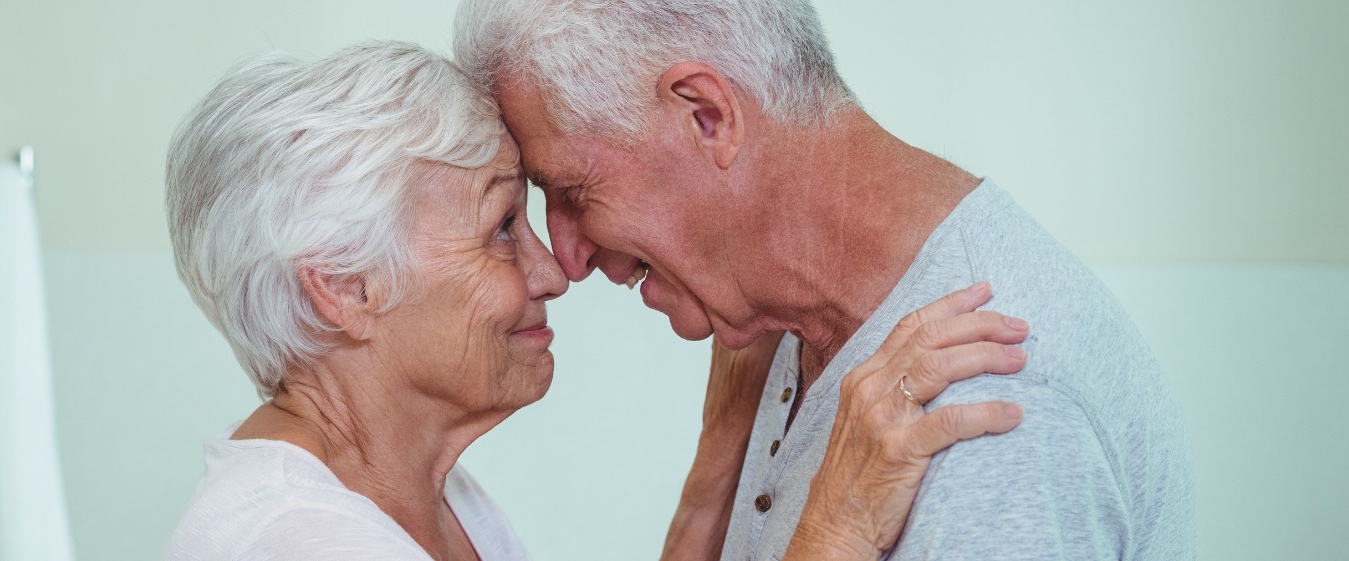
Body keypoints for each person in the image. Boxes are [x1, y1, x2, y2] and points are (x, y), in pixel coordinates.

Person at [161, 41, 1034, 561]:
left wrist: (720, 459)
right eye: (502, 227)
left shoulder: (425, 493)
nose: (552, 272)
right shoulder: (291, 541)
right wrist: (835, 529)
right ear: (345, 288)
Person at [452, 1, 1196, 559]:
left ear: (706, 115)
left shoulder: (985, 402)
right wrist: (722, 463)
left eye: (572, 192)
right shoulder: (785, 329)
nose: (568, 259)